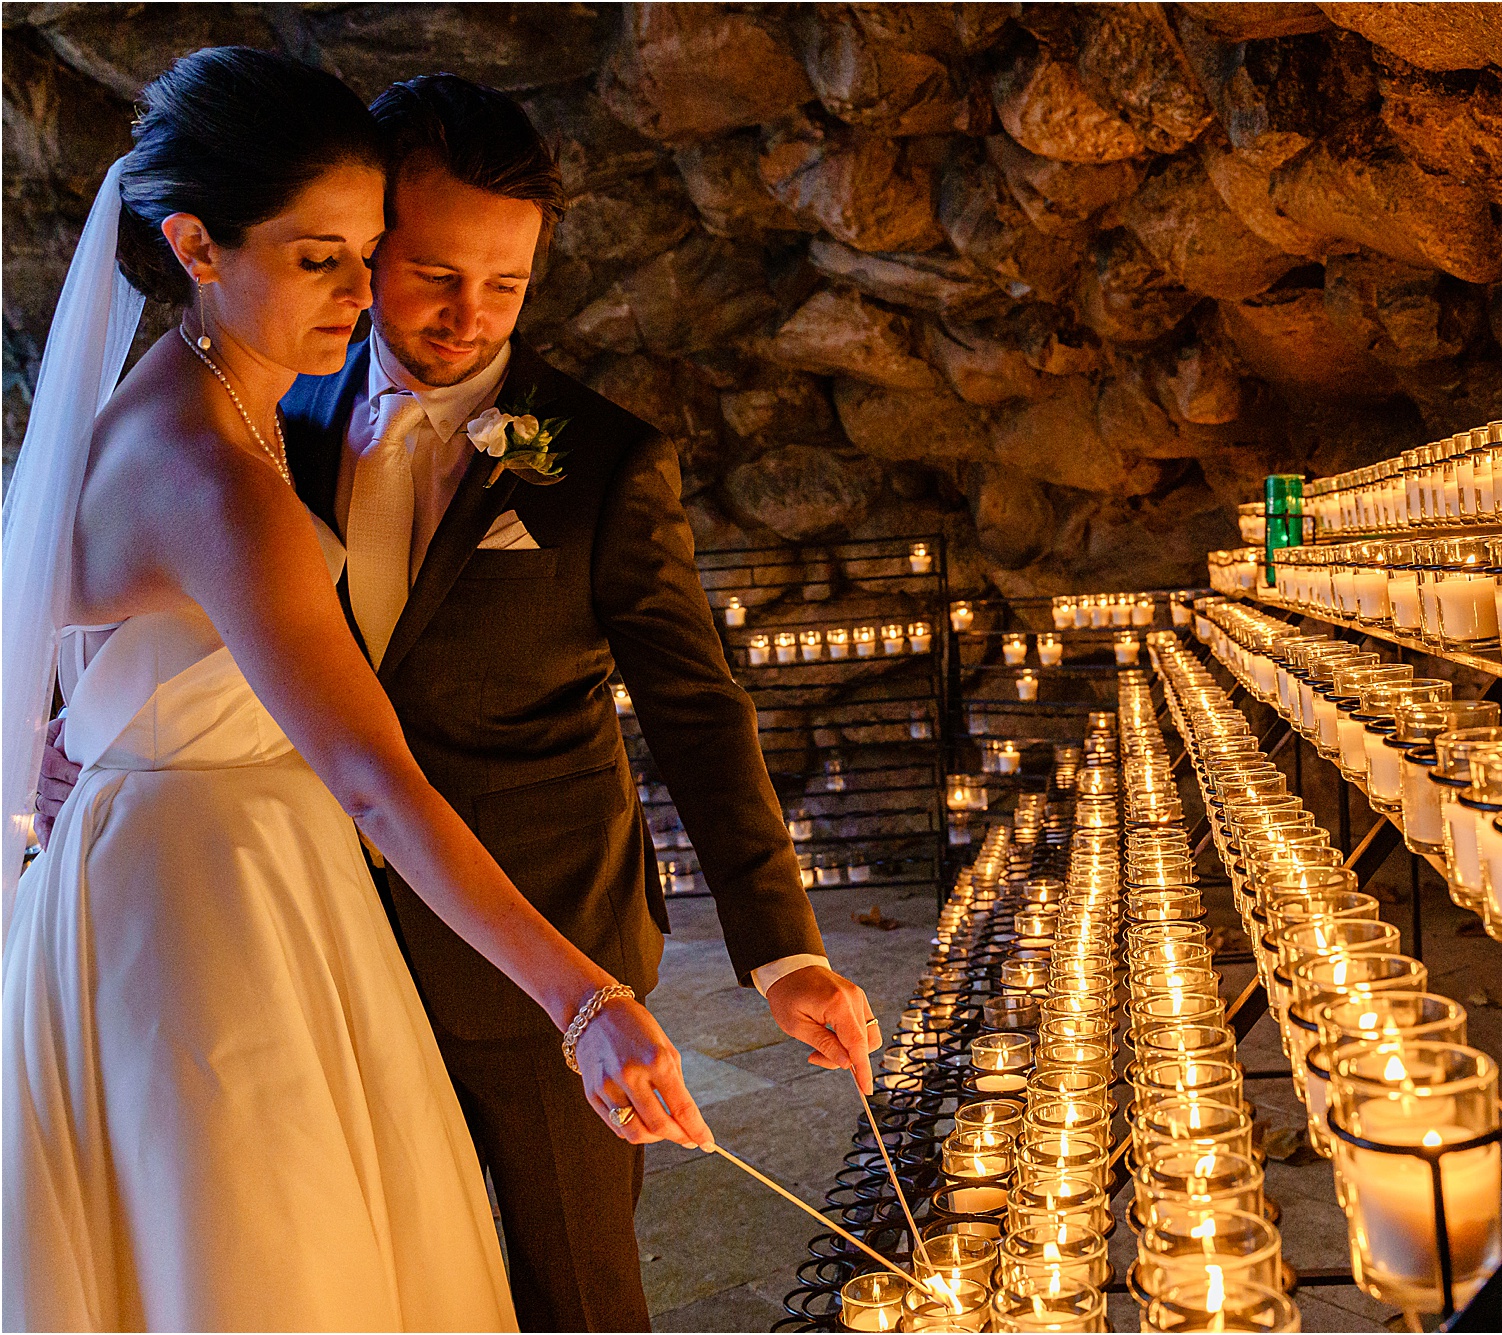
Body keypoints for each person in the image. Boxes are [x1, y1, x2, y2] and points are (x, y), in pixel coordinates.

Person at [27, 69, 881, 1332]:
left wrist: (781, 950)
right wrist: (101, 744)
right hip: (275, 926)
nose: (465, 315)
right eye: (412, 269)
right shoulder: (269, 405)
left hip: (528, 918)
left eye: (508, 284)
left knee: (570, 1290)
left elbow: (698, 714)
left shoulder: (597, 459)